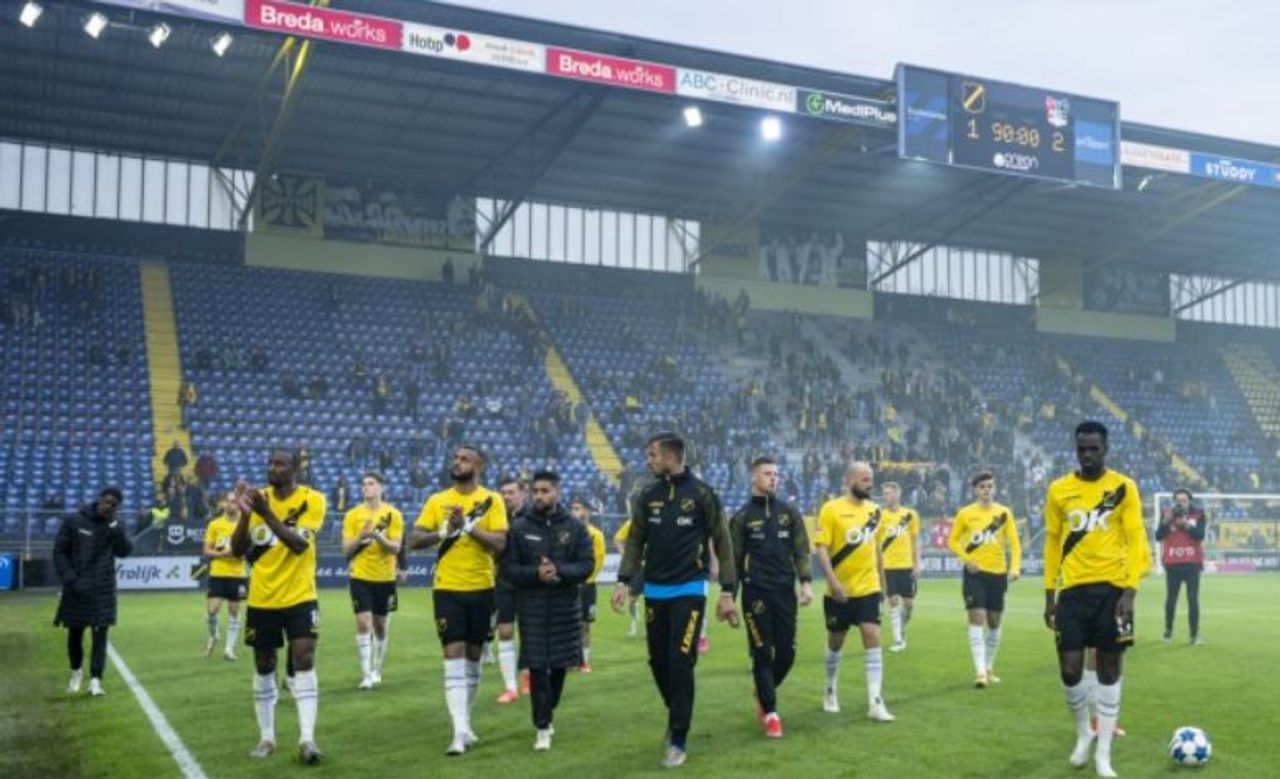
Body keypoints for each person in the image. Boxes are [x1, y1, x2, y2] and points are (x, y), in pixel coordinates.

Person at [610, 432, 738, 769]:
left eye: (652, 454)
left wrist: (727, 590)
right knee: (658, 662)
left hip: (689, 590)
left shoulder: (702, 494)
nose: (648, 460)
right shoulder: (646, 495)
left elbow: (723, 542)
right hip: (655, 591)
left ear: (671, 456)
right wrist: (623, 581)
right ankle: (678, 711)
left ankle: (678, 738)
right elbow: (635, 540)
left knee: (681, 662)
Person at [1043, 421, 1150, 778]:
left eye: (1094, 449)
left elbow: (1136, 538)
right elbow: (1053, 542)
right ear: (1076, 449)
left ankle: (1104, 754)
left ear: (1106, 448)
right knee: (1070, 670)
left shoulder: (1123, 487)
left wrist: (1130, 591)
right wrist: (1049, 594)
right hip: (1072, 592)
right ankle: (1083, 734)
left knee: (1108, 669)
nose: (1087, 455)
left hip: (1113, 591)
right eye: (1082, 449)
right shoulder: (1059, 489)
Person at [408, 444, 508, 756]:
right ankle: (459, 731)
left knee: (474, 658)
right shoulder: (438, 500)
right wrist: (443, 531)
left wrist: (468, 526)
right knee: (453, 653)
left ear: (479, 465)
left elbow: (500, 544)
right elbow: (414, 540)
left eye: (464, 458)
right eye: (455, 458)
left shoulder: (493, 500)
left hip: (481, 588)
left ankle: (466, 723)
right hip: (447, 588)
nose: (457, 462)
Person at [229, 448, 327, 764]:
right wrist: (246, 515)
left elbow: (299, 545)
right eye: (270, 462)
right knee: (264, 664)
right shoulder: (256, 501)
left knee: (304, 659)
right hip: (262, 597)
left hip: (300, 595)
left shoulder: (313, 499)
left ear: (294, 469)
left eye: (281, 463)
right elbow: (236, 549)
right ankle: (267, 737)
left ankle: (307, 739)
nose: (274, 468)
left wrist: (266, 512)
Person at [501, 471, 595, 751]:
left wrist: (560, 571)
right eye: (536, 491)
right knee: (538, 666)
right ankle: (542, 726)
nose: (539, 496)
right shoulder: (519, 527)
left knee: (559, 667)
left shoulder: (575, 527)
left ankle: (547, 711)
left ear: (557, 492)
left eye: (545, 491)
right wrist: (535, 574)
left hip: (566, 606)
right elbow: (508, 569)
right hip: (532, 607)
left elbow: (587, 564)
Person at [729, 456, 812, 739]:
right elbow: (735, 562)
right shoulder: (741, 518)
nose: (773, 478)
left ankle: (762, 690)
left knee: (787, 654)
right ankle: (772, 715)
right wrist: (729, 596)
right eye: (767, 473)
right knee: (763, 653)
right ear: (754, 478)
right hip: (756, 593)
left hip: (784, 591)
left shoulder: (789, 513)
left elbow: (801, 551)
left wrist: (806, 583)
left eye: (776, 474)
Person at [814, 462, 894, 722]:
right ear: (850, 480)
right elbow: (822, 548)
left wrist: (882, 583)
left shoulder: (875, 511)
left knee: (872, 635)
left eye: (871, 479)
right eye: (864, 479)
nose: (870, 484)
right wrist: (833, 582)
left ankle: (875, 701)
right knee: (836, 642)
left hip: (868, 587)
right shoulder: (830, 509)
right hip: (839, 591)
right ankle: (829, 689)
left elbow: (877, 549)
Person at [53, 487, 133, 697]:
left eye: (114, 505)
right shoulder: (74, 520)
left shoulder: (115, 525)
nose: (109, 506)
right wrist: (69, 578)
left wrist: (115, 528)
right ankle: (76, 672)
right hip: (76, 589)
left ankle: (96, 680)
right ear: (99, 500)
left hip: (103, 590)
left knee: (100, 636)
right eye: (107, 501)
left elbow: (124, 552)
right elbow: (59, 551)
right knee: (75, 635)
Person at [948, 472, 1021, 687]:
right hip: (975, 574)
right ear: (975, 490)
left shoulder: (1004, 513)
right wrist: (966, 559)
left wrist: (1015, 568)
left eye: (990, 486)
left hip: (998, 574)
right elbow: (953, 541)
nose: (986, 490)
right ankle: (979, 672)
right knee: (977, 617)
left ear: (994, 489)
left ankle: (988, 666)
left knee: (994, 621)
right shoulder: (965, 513)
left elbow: (1015, 544)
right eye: (982, 487)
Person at [341, 472, 403, 690]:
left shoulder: (393, 514)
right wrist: (360, 536)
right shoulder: (352, 515)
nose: (366, 487)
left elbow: (396, 547)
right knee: (363, 623)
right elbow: (346, 549)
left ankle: (377, 668)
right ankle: (366, 674)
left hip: (385, 578)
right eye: (363, 484)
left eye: (371, 484)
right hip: (360, 576)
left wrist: (376, 536)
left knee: (381, 627)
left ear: (381, 488)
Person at [493, 476, 528, 704]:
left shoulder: (534, 517)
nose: (507, 497)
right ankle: (510, 687)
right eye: (503, 492)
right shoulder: (497, 517)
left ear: (523, 493)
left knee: (529, 632)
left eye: (511, 492)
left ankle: (527, 676)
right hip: (504, 583)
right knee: (505, 632)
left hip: (528, 583)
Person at [1156, 488, 1206, 645]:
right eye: (1178, 500)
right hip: (1173, 564)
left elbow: (1200, 535)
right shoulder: (1166, 513)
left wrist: (1185, 525)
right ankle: (1168, 632)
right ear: (1174, 501)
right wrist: (1166, 521)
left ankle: (1194, 635)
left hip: (1192, 564)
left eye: (1184, 500)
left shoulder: (1199, 514)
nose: (1181, 503)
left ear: (1190, 501)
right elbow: (1158, 536)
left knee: (1193, 600)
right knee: (1171, 599)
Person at [203, 494, 248, 661]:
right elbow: (206, 550)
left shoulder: (244, 525)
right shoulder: (215, 524)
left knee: (234, 612)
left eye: (234, 501)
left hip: (237, 574)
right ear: (224, 503)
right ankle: (214, 635)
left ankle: (229, 649)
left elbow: (247, 551)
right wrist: (222, 554)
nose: (231, 504)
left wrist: (240, 555)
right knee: (211, 611)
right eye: (228, 501)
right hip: (218, 572)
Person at [877, 481, 920, 653]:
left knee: (909, 605)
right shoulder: (879, 516)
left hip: (906, 566)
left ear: (897, 494)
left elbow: (915, 541)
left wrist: (917, 564)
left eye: (888, 493)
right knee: (893, 602)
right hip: (887, 567)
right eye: (884, 492)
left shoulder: (910, 515)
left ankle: (902, 627)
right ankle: (897, 639)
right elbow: (875, 543)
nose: (885, 496)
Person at [570, 495, 607, 673]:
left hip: (587, 586)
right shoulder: (566, 532)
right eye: (573, 508)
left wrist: (584, 579)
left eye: (578, 508)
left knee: (585, 624)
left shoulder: (596, 535)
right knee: (568, 623)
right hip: (569, 585)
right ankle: (569, 660)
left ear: (586, 511)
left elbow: (598, 562)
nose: (575, 511)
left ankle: (584, 661)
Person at [612, 517, 641, 637]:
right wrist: (627, 556)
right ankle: (635, 622)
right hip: (639, 568)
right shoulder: (633, 522)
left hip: (656, 566)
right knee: (632, 600)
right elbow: (618, 539)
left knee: (657, 599)